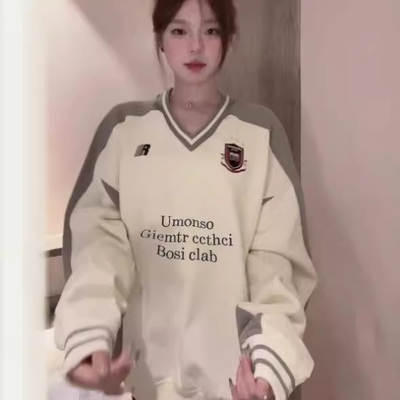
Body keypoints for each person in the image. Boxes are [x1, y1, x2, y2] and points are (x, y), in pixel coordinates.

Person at [54, 0, 317, 399]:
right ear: (160, 38)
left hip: (235, 385)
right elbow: (97, 249)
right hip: (147, 380)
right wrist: (89, 338)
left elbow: (277, 267)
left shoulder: (260, 133)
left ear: (229, 39)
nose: (195, 46)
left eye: (210, 30)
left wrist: (266, 370)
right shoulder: (124, 130)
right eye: (179, 31)